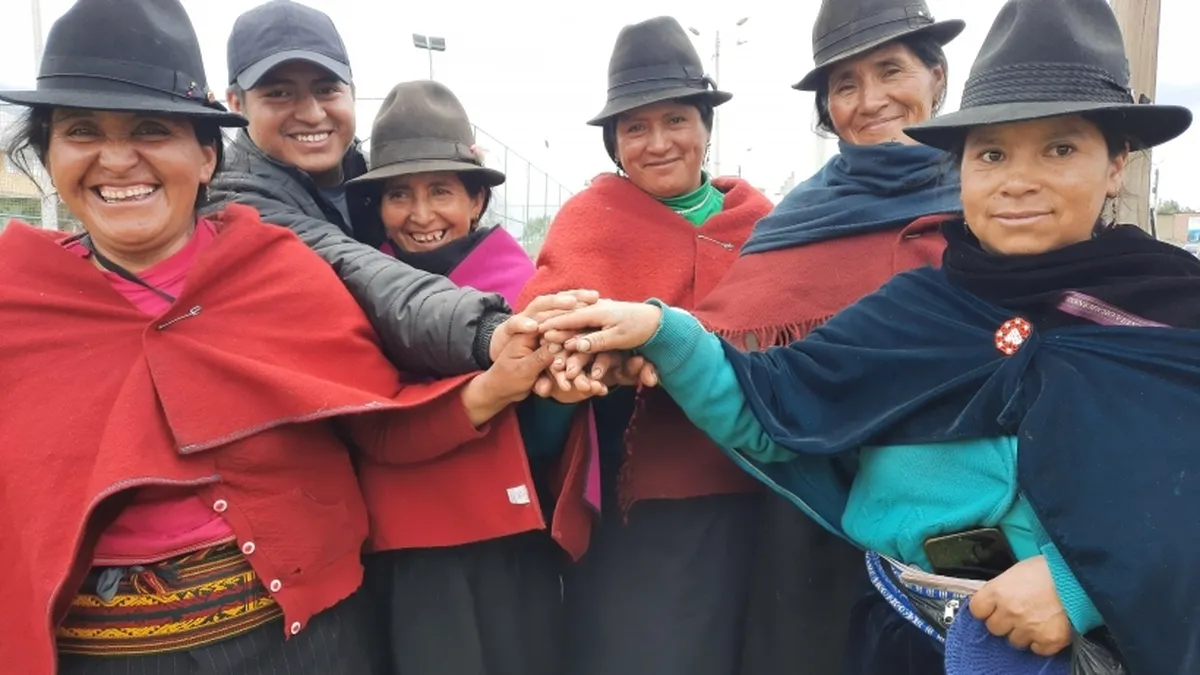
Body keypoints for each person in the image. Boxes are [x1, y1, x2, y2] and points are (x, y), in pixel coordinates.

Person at [537, 1, 1198, 674]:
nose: (1018, 180)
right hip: (898, 634)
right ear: (963, 165)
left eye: (1060, 149)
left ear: (1116, 163)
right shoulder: (912, 309)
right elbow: (776, 402)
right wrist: (663, 329)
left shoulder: (1173, 317)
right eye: (992, 153)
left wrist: (1076, 583)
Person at [0, 1, 575, 672]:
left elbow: (379, 420)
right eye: (81, 130)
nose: (119, 158)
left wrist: (497, 373)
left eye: (153, 130)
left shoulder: (279, 272)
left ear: (207, 155)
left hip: (305, 647)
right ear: (48, 154)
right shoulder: (18, 299)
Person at [685, 1, 965, 672]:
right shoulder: (795, 224)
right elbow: (727, 348)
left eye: (891, 70)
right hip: (816, 521)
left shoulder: (996, 201)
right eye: (845, 84)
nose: (869, 100)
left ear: (937, 76)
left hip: (971, 529)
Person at [516, 16, 775, 675]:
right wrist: (571, 380)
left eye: (677, 120)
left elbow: (791, 358)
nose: (658, 143)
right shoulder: (588, 225)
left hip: (763, 498)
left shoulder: (763, 226)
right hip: (638, 523)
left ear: (706, 127)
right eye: (635, 127)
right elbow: (539, 387)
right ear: (614, 143)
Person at [346, 80, 585, 675]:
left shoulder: (526, 291)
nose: (421, 214)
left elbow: (546, 445)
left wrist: (557, 392)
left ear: (477, 199)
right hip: (403, 556)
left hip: (510, 547)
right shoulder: (353, 291)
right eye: (399, 194)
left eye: (441, 191)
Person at [211, 0, 547, 380]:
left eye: (326, 89)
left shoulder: (367, 174)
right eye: (279, 93)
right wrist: (487, 331)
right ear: (236, 104)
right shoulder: (237, 200)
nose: (312, 113)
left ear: (351, 92)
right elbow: (360, 270)